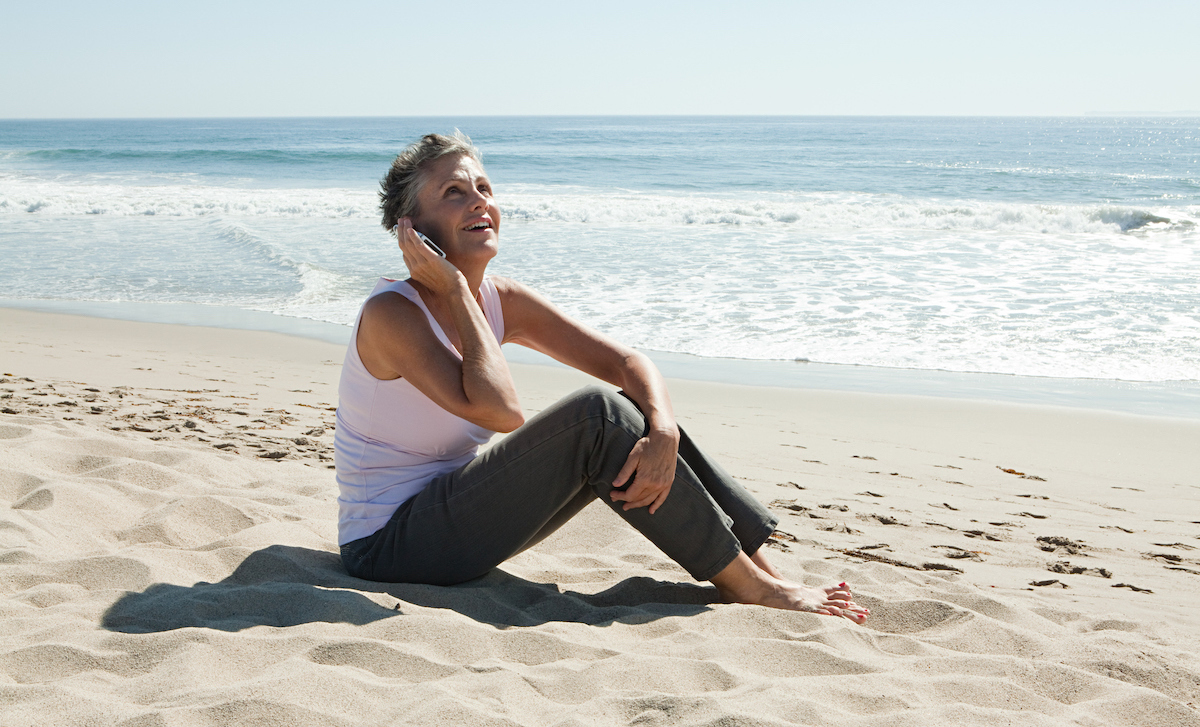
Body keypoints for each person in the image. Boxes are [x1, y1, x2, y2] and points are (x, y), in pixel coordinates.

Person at [334, 131, 869, 622]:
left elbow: (627, 363)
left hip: (454, 520)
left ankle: (758, 570)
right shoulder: (393, 314)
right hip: (388, 546)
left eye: (484, 187)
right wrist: (451, 288)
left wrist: (663, 429)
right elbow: (501, 412)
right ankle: (752, 586)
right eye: (453, 191)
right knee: (598, 417)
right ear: (411, 229)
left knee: (632, 411)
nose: (480, 201)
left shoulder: (501, 299)